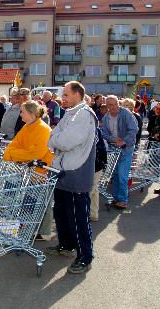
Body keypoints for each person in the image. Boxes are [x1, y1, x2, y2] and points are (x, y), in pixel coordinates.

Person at [46, 81, 97, 274]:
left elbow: (64, 141)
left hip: (76, 172)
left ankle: (85, 257)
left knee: (78, 218)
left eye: (66, 94)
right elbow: (54, 135)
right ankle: (66, 245)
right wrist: (56, 140)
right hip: (63, 171)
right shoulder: (71, 113)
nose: (63, 98)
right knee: (62, 213)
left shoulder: (84, 115)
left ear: (77, 94)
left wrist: (55, 141)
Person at [3, 100, 55, 240]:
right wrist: (17, 153)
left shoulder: (43, 130)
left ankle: (43, 233)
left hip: (41, 172)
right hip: (29, 171)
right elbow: (10, 148)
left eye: (23, 112)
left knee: (39, 203)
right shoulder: (27, 127)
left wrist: (14, 154)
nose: (20, 115)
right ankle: (26, 229)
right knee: (27, 202)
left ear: (32, 114)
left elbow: (35, 154)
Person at [101, 95, 138, 209]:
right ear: (106, 106)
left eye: (114, 104)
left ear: (118, 103)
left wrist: (123, 141)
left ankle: (122, 200)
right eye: (109, 105)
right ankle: (116, 198)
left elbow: (133, 129)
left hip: (126, 148)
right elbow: (104, 134)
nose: (112, 107)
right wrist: (113, 140)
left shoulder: (125, 113)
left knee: (122, 174)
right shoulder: (106, 117)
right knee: (115, 174)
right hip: (113, 148)